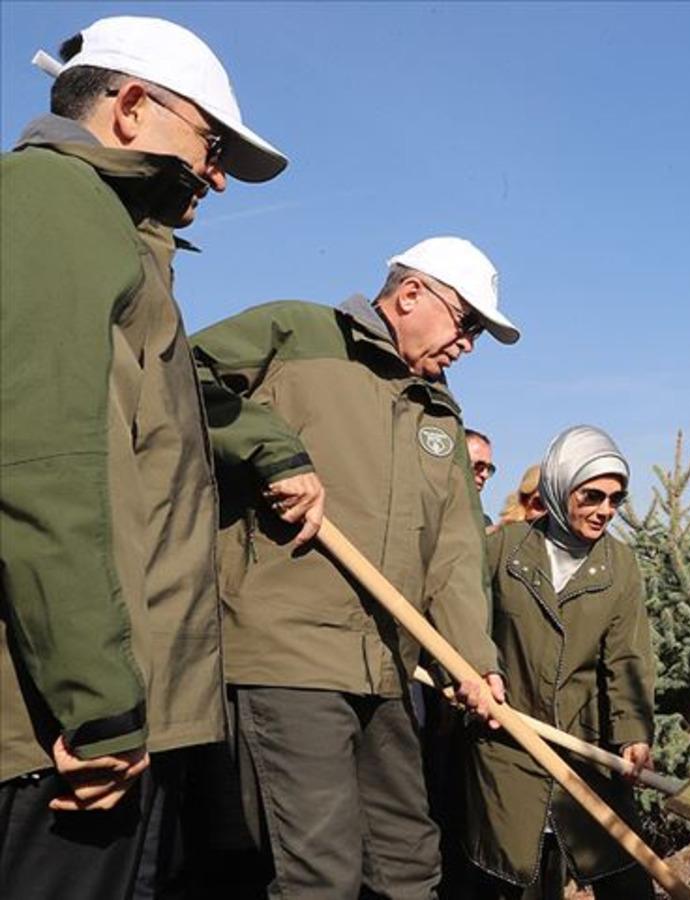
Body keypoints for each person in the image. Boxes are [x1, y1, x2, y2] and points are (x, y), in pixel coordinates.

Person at [0, 16, 286, 897]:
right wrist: (100, 703)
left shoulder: (104, 230)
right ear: (130, 107)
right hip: (65, 734)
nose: (217, 177)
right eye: (211, 145)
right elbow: (47, 464)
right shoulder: (54, 201)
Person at [191, 236, 516, 898]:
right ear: (412, 293)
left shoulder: (438, 410)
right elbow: (180, 374)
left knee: (409, 867)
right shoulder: (296, 333)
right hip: (289, 654)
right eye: (466, 323)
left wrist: (472, 661)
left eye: (479, 334)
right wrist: (271, 449)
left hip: (387, 667)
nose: (468, 345)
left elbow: (455, 549)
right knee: (319, 874)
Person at [466, 426, 656, 900]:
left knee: (623, 874)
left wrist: (633, 732)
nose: (605, 510)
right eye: (592, 496)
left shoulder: (619, 565)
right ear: (559, 486)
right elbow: (467, 621)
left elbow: (627, 656)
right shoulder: (505, 550)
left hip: (584, 748)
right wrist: (472, 673)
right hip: (508, 745)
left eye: (615, 499)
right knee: (523, 874)